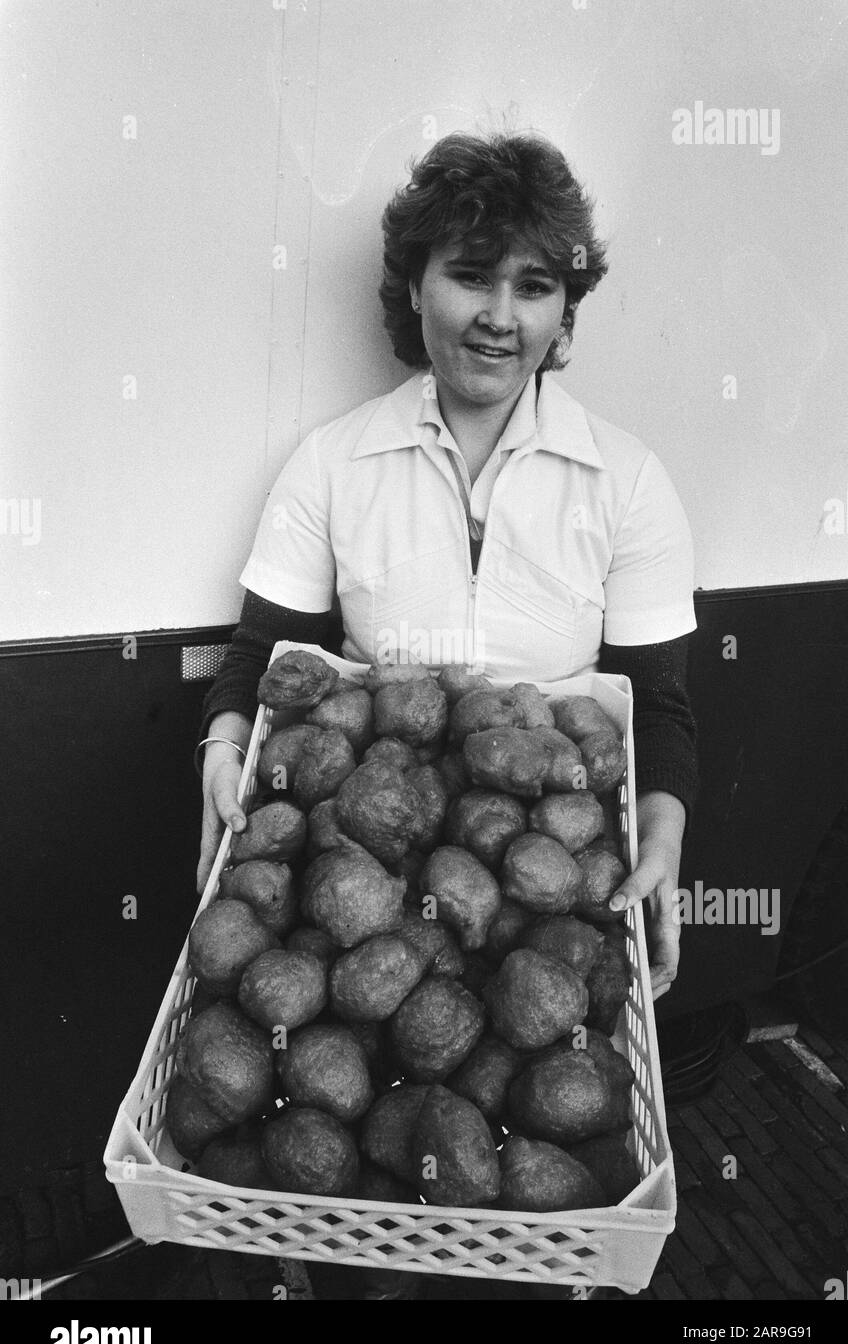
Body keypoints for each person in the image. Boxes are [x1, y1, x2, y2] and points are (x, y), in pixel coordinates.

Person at [196, 129, 697, 1004]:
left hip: (557, 880)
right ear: (415, 287)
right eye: (471, 275)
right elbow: (260, 661)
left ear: (562, 313)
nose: (499, 316)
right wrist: (222, 753)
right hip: (362, 848)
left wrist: (659, 843)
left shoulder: (629, 482)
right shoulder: (331, 463)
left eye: (533, 287)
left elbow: (656, 707)